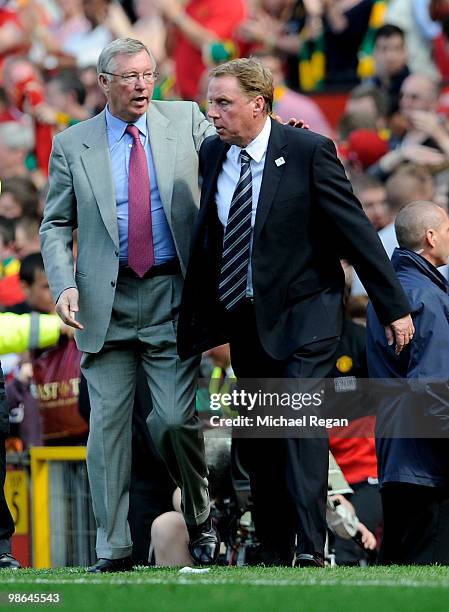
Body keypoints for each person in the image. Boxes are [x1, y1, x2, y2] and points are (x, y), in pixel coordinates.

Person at [178, 57, 414, 567]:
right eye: (209, 102)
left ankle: (311, 546)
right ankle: (274, 545)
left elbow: (356, 232)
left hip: (309, 315)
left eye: (223, 103)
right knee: (263, 432)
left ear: (258, 104)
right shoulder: (213, 153)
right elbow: (215, 238)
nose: (212, 112)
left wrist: (392, 306)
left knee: (301, 423)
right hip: (248, 319)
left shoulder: (308, 150)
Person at [40, 37, 218, 572]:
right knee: (108, 432)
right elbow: (55, 224)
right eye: (131, 76)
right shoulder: (73, 144)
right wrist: (63, 283)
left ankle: (201, 509)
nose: (143, 85)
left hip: (172, 294)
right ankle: (112, 548)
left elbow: (234, 153)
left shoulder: (187, 119)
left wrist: (279, 137)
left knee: (169, 421)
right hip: (103, 301)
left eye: (149, 74)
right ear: (104, 83)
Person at [366, 201, 449, 564]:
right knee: (426, 574)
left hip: (398, 455)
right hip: (428, 464)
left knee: (398, 574)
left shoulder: (393, 289)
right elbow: (433, 386)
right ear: (430, 237)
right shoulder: (426, 296)